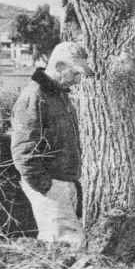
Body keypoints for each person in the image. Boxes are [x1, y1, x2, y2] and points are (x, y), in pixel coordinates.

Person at [11, 41, 93, 250]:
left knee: (60, 247)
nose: (78, 80)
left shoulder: (57, 94)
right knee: (67, 246)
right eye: (75, 73)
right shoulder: (35, 97)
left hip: (63, 183)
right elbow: (24, 152)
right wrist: (48, 188)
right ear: (59, 67)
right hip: (51, 186)